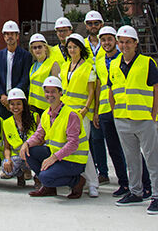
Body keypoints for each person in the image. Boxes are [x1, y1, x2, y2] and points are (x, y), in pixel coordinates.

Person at [110, 25, 158, 215]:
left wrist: (153, 114)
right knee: (131, 158)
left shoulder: (146, 62)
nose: (124, 45)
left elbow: (157, 89)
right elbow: (112, 90)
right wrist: (115, 110)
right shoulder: (115, 64)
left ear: (135, 43)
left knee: (152, 158)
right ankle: (135, 192)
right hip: (122, 118)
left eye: (128, 42)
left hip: (143, 119)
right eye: (121, 42)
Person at [95, 26, 151, 198]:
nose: (106, 43)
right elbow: (99, 86)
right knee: (114, 150)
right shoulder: (98, 61)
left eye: (110, 39)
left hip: (123, 109)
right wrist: (96, 111)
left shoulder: (124, 58)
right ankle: (124, 184)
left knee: (132, 150)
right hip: (105, 110)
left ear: (116, 41)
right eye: (103, 40)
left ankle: (145, 184)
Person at [19, 75, 89, 198]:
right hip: (57, 155)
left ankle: (77, 181)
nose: (49, 95)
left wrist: (54, 158)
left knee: (45, 177)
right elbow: (39, 134)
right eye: (47, 91)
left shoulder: (71, 115)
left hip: (74, 160)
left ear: (60, 93)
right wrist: (26, 144)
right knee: (29, 152)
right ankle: (49, 188)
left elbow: (73, 144)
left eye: (53, 92)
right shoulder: (46, 114)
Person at [61, 32, 100, 198]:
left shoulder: (88, 67)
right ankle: (79, 180)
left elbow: (92, 92)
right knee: (69, 147)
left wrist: (85, 109)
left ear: (80, 48)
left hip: (81, 113)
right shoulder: (65, 67)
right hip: (66, 113)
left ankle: (93, 183)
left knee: (83, 148)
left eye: (74, 47)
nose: (71, 50)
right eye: (69, 47)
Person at [84, 9, 109, 185]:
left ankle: (104, 172)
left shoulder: (107, 44)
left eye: (96, 23)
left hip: (103, 97)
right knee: (88, 140)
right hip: (86, 96)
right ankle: (91, 172)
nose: (93, 27)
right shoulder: (82, 44)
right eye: (90, 24)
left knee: (99, 138)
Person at [0, 20, 31, 121]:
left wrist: (13, 96)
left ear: (17, 36)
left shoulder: (25, 55)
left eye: (12, 34)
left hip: (18, 101)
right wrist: (2, 95)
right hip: (3, 101)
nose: (10, 36)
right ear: (4, 37)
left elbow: (25, 78)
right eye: (7, 34)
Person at [0, 87, 38, 187]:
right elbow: (7, 147)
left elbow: (42, 140)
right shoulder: (6, 123)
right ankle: (20, 174)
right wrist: (8, 159)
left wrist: (29, 153)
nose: (15, 107)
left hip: (33, 155)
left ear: (23, 105)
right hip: (18, 157)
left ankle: (38, 178)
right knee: (6, 169)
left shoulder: (34, 117)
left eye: (18, 104)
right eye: (12, 104)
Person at [27, 33, 61, 115]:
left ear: (45, 48)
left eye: (40, 47)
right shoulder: (33, 66)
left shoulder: (53, 64)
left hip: (47, 107)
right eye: (34, 48)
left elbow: (58, 88)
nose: (37, 50)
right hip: (33, 107)